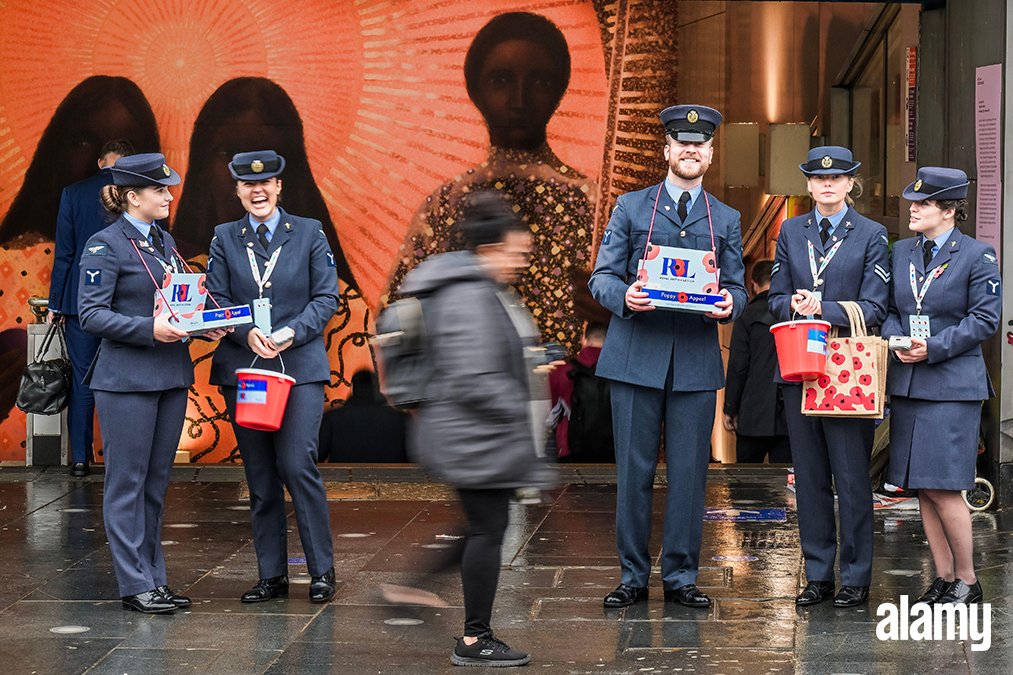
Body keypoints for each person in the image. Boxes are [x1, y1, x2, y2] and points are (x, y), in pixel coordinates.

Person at [589, 104, 746, 609]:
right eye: (682, 144)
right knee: (633, 473)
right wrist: (624, 298)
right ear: (667, 150)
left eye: (699, 146)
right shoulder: (632, 207)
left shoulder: (726, 218)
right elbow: (602, 277)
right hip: (636, 356)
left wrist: (730, 304)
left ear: (710, 155)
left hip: (695, 363)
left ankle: (680, 577)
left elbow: (740, 287)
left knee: (689, 475)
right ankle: (632, 576)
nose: (690, 151)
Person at [397, 191, 554, 667]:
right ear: (489, 248)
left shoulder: (477, 287)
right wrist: (518, 405)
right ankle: (473, 639)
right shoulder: (469, 293)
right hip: (476, 436)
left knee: (482, 527)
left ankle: (411, 589)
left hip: (476, 435)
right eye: (515, 253)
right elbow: (470, 374)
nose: (519, 263)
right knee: (488, 530)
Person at [385, 11, 596, 355]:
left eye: (540, 82)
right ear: (476, 90)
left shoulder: (590, 203)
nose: (519, 99)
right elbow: (400, 311)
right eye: (501, 80)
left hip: (569, 394)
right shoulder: (446, 203)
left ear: (560, 90)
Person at [78, 153, 230, 614]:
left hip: (168, 374)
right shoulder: (105, 245)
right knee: (127, 482)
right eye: (159, 190)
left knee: (155, 483)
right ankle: (133, 583)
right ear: (132, 197)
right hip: (126, 379)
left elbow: (175, 306)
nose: (168, 196)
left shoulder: (163, 242)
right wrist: (149, 329)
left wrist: (206, 325)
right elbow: (90, 313)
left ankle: (154, 579)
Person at [205, 150, 339, 604]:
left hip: (298, 367)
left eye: (266, 183)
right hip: (246, 369)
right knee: (260, 475)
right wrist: (248, 333)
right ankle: (271, 576)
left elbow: (326, 299)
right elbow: (216, 302)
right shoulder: (225, 237)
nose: (257, 191)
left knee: (297, 464)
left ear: (279, 186)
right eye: (247, 185)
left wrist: (288, 333)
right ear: (237, 190)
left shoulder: (309, 232)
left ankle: (321, 570)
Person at [768, 146, 890, 608]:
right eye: (819, 179)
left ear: (850, 184)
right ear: (808, 185)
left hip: (847, 371)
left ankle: (856, 576)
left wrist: (826, 308)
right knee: (811, 478)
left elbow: (877, 307)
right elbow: (775, 299)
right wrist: (795, 305)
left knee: (853, 477)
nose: (827, 185)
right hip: (800, 369)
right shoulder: (790, 230)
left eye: (837, 178)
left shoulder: (872, 234)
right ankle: (818, 574)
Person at [881, 167, 1000, 605]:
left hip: (952, 384)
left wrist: (931, 347)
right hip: (911, 382)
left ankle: (968, 580)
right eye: (913, 202)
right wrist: (898, 339)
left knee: (946, 486)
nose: (913, 209)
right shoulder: (903, 252)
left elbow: (985, 319)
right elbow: (892, 308)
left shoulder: (977, 255)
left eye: (923, 204)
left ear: (948, 210)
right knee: (923, 485)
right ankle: (944, 576)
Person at [48, 139, 134, 477]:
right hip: (126, 303)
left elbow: (65, 255)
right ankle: (122, 459)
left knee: (83, 381)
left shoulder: (73, 193)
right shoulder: (138, 192)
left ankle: (82, 459)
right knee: (126, 379)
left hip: (80, 303)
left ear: (101, 162)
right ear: (129, 163)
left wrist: (56, 303)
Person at [723, 260, 791, 463]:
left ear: (753, 284)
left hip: (753, 412)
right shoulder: (793, 312)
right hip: (788, 414)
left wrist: (730, 408)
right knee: (786, 485)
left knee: (745, 483)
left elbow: (739, 365)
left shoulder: (747, 314)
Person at [548, 321, 613, 462]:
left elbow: (549, 418)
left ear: (584, 338)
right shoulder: (622, 374)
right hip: (614, 454)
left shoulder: (563, 372)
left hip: (572, 453)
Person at [318, 369, 408, 463]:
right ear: (377, 388)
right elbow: (412, 459)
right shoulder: (400, 419)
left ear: (353, 388)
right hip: (392, 477)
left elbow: (319, 455)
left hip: (344, 477)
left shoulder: (333, 418)